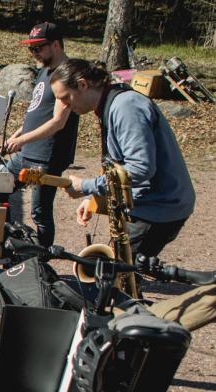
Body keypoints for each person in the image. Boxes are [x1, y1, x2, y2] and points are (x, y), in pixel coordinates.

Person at [51, 58, 196, 258]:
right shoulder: (112, 103)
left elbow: (140, 169)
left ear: (83, 85)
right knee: (121, 278)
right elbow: (121, 167)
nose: (64, 106)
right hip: (151, 204)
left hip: (159, 208)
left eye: (65, 98)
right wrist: (96, 199)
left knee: (119, 279)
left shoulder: (126, 107)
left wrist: (86, 185)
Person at [3, 22, 79, 248]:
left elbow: (58, 122)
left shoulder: (67, 74)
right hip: (27, 152)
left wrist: (22, 139)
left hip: (46, 158)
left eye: (38, 48)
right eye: (31, 48)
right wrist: (18, 134)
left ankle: (42, 257)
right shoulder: (44, 70)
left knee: (39, 211)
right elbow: (37, 111)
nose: (34, 53)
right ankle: (12, 243)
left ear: (56, 45)